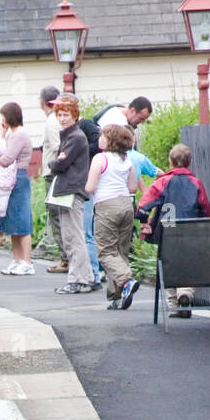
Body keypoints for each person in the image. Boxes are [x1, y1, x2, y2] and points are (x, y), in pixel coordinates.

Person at [136, 143, 210, 318]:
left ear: (170, 162)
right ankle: (185, 292)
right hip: (190, 232)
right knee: (189, 262)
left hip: (167, 233)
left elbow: (143, 206)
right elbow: (207, 210)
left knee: (167, 261)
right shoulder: (196, 183)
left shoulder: (162, 182)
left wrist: (144, 221)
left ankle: (173, 301)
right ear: (190, 162)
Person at [86, 124, 139, 309]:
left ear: (110, 141)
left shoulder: (100, 158)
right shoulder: (127, 160)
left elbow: (90, 187)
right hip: (126, 204)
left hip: (106, 205)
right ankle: (117, 296)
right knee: (120, 250)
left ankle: (126, 281)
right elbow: (132, 187)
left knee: (106, 251)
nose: (99, 138)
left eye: (102, 136)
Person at [47, 94, 92, 293]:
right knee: (71, 236)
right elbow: (60, 160)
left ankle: (78, 279)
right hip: (69, 190)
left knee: (73, 236)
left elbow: (60, 163)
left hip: (71, 190)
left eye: (66, 114)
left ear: (75, 116)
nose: (63, 118)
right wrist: (58, 160)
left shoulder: (74, 137)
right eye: (60, 115)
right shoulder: (72, 135)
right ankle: (86, 277)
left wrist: (54, 162)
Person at [0, 101, 34, 275]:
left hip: (18, 176)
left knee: (22, 219)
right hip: (10, 177)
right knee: (12, 220)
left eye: (3, 116)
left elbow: (6, 158)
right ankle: (17, 259)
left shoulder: (19, 135)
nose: (2, 120)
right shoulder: (11, 135)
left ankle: (27, 261)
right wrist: (2, 134)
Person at [38, 85, 65, 269]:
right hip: (57, 173)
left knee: (56, 216)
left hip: (53, 173)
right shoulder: (57, 120)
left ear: (42, 103)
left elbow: (57, 147)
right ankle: (66, 256)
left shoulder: (51, 121)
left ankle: (66, 257)